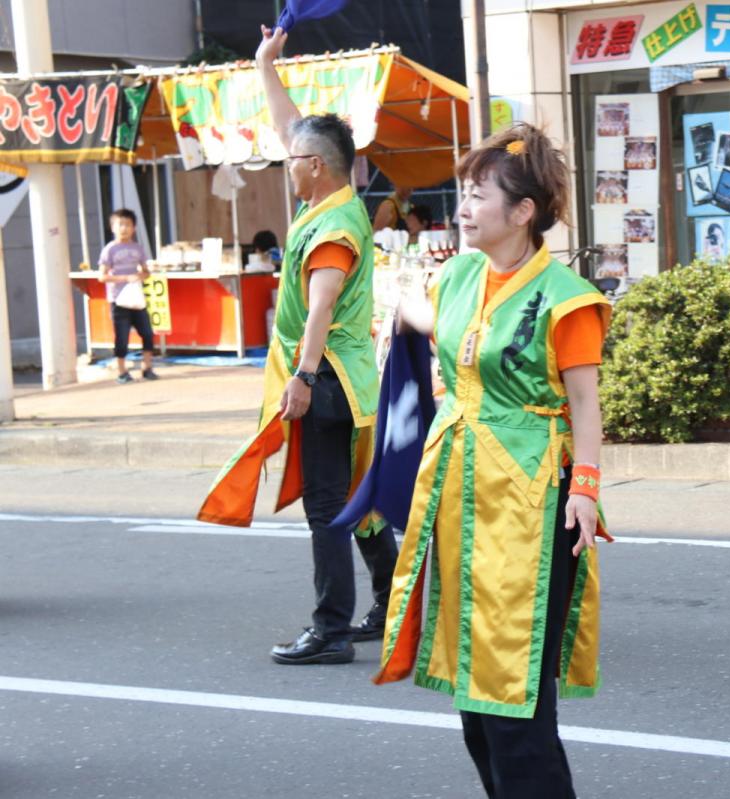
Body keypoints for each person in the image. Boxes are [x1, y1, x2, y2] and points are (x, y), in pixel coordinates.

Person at [375, 122, 612, 798]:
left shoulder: (567, 299)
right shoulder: (459, 275)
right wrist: (402, 306)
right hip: (462, 492)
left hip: (534, 499)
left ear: (524, 212)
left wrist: (586, 491)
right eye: (462, 193)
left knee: (514, 696)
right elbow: (447, 330)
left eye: (478, 195)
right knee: (474, 697)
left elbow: (585, 407)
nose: (463, 208)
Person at [197, 24, 397, 664]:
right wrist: (264, 65)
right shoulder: (336, 195)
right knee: (355, 500)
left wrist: (303, 379)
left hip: (329, 377)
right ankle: (392, 605)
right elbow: (291, 127)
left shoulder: (334, 225)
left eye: (291, 161)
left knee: (327, 506)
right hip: (349, 376)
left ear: (315, 167)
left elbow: (320, 309)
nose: (286, 164)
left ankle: (331, 629)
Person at [98, 209, 157, 384]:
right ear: (113, 227)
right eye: (120, 224)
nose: (124, 228)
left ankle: (147, 367)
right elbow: (102, 276)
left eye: (128, 224)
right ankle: (122, 371)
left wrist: (141, 275)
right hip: (118, 299)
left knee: (147, 332)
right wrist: (124, 278)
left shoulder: (138, 248)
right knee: (122, 336)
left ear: (134, 228)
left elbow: (146, 272)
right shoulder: (110, 250)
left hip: (137, 299)